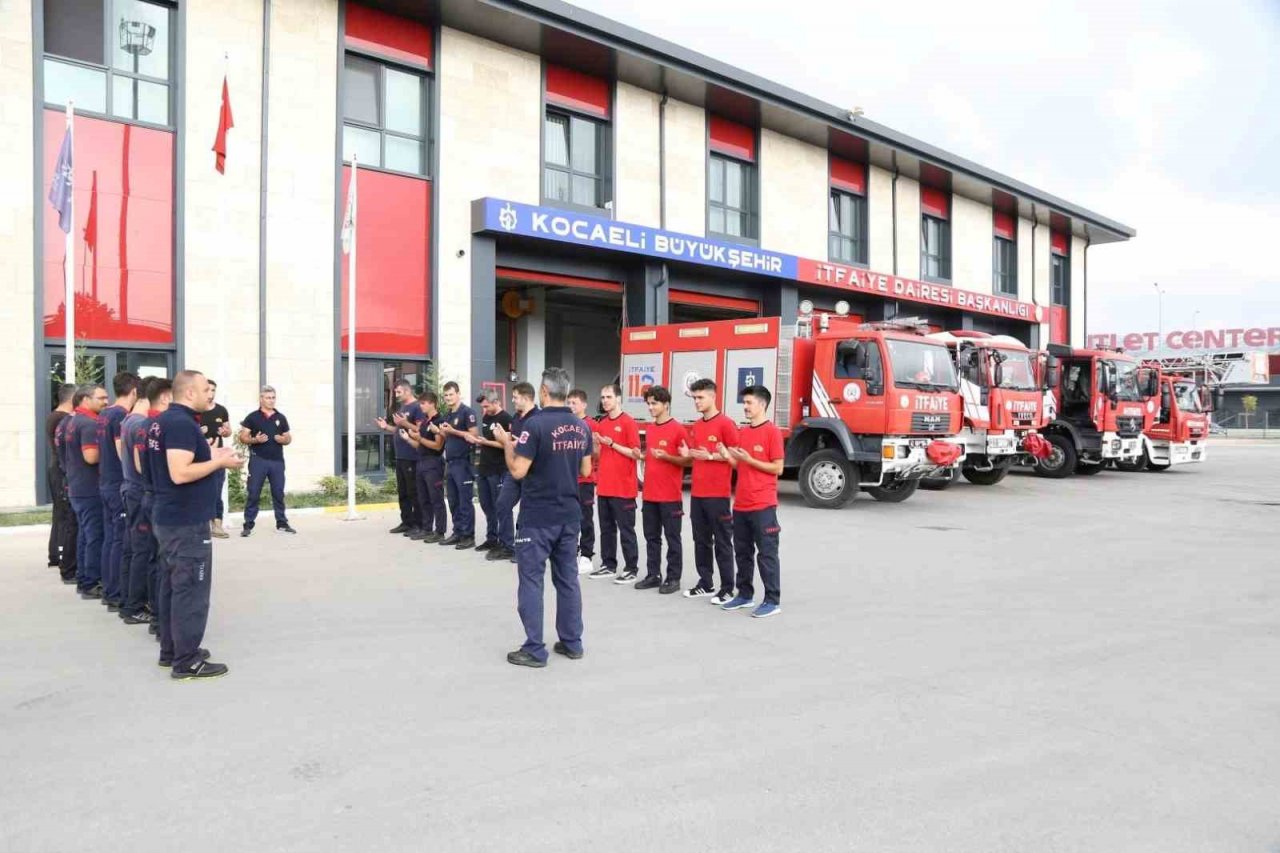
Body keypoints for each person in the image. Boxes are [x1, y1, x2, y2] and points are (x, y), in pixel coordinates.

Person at [492, 366, 592, 668]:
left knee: (532, 582)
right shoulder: (581, 426)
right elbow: (586, 471)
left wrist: (507, 445)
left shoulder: (534, 426)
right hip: (570, 515)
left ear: (545, 392)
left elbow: (518, 471)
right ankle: (572, 642)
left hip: (538, 517)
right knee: (568, 580)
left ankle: (535, 649)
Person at [151, 370, 243, 679]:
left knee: (172, 587)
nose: (210, 395)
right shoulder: (179, 424)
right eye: (206, 389)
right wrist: (220, 462)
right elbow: (179, 472)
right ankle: (187, 661)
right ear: (189, 393)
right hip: (185, 523)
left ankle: (172, 651)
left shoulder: (167, 421)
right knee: (190, 591)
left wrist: (211, 452)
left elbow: (181, 460)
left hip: (171, 518)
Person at [718, 385, 784, 618]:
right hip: (742, 504)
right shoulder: (743, 433)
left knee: (766, 553)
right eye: (744, 403)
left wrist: (751, 460)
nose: (745, 407)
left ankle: (772, 600)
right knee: (742, 552)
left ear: (762, 405)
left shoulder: (772, 432)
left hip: (763, 504)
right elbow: (741, 465)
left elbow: (778, 467)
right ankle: (744, 595)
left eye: (749, 403)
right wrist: (728, 456)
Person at [679, 377, 740, 604]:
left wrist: (712, 456)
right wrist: (688, 454)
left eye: (700, 397)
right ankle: (705, 582)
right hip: (698, 494)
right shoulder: (696, 426)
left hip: (718, 495)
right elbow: (694, 456)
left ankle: (727, 588)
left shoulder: (726, 424)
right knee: (701, 540)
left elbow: (736, 457)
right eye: (694, 398)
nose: (696, 401)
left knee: (723, 541)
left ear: (713, 397)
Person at [637, 386, 686, 594]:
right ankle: (653, 575)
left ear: (666, 404)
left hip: (670, 496)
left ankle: (673, 578)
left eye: (654, 403)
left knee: (672, 537)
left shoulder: (678, 429)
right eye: (648, 403)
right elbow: (650, 457)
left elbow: (687, 460)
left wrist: (667, 457)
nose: (650, 407)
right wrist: (641, 456)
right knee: (651, 537)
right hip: (650, 494)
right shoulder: (650, 428)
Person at [590, 383, 641, 582]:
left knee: (626, 530)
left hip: (623, 488)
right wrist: (596, 444)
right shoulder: (601, 423)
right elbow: (597, 456)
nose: (605, 401)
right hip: (604, 487)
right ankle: (608, 564)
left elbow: (635, 453)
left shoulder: (628, 422)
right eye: (603, 397)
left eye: (608, 397)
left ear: (618, 399)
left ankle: (631, 568)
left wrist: (612, 443)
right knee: (606, 530)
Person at [98, 371, 139, 610]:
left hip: (105, 481)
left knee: (110, 538)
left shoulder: (104, 413)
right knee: (118, 540)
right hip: (116, 484)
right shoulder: (121, 416)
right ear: (134, 392)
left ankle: (108, 588)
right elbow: (121, 451)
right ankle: (114, 592)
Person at [118, 377, 157, 624]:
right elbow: (141, 464)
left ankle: (128, 602)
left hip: (129, 487)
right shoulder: (141, 423)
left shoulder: (128, 419)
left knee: (131, 549)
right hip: (139, 491)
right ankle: (134, 606)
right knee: (142, 550)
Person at [64, 384, 108, 599]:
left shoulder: (73, 421)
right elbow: (91, 457)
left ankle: (84, 579)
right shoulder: (89, 424)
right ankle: (91, 583)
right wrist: (110, 450)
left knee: (84, 535)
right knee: (94, 536)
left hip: (77, 487)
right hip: (90, 488)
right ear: (85, 399)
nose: (106, 401)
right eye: (101, 398)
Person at [238, 385, 296, 536]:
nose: (271, 401)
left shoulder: (280, 417)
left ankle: (282, 523)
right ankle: (248, 525)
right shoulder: (252, 417)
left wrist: (283, 439)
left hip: (277, 461)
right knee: (253, 493)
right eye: (268, 398)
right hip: (259, 461)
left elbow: (288, 438)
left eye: (273, 398)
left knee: (278, 492)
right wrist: (255, 440)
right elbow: (243, 437)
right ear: (261, 399)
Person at [140, 379, 173, 638]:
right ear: (165, 397)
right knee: (162, 563)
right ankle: (160, 620)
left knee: (156, 559)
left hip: (149, 495)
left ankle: (156, 617)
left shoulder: (146, 424)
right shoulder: (157, 426)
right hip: (158, 498)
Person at [489, 382, 537, 563]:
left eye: (516, 397)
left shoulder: (536, 418)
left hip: (530, 471)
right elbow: (513, 441)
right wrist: (503, 437)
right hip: (513, 468)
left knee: (527, 511)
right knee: (502, 504)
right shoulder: (516, 418)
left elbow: (530, 444)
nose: (513, 400)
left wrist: (510, 442)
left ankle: (524, 548)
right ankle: (508, 546)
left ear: (526, 398)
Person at [377, 379, 424, 537]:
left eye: (398, 392)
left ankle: (418, 524)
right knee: (403, 492)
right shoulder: (404, 407)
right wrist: (387, 427)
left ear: (407, 391)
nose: (396, 395)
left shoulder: (417, 407)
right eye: (395, 392)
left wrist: (404, 422)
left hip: (412, 456)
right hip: (400, 456)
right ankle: (406, 522)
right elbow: (398, 430)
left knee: (414, 492)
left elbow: (420, 429)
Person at [436, 381, 478, 549]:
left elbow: (474, 435)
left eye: (451, 394)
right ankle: (458, 532)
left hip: (463, 462)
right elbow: (449, 438)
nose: (448, 398)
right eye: (445, 395)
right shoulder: (447, 415)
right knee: (453, 500)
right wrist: (441, 432)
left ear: (458, 394)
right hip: (450, 463)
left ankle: (468, 536)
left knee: (464, 501)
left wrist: (453, 431)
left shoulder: (467, 412)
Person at [471, 389, 512, 554]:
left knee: (499, 506)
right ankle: (491, 538)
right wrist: (479, 441)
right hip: (484, 467)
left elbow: (507, 445)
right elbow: (486, 440)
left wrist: (485, 442)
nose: (484, 410)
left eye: (487, 406)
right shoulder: (487, 417)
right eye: (482, 407)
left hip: (499, 468)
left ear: (496, 402)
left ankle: (504, 542)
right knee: (486, 505)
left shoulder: (506, 418)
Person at [405, 390, 447, 543]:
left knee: (436, 498)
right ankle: (426, 528)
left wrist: (420, 438)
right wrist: (409, 439)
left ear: (432, 404)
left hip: (433, 462)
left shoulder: (438, 421)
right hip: (421, 461)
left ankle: (440, 531)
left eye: (423, 403)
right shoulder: (424, 422)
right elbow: (419, 444)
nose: (420, 406)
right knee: (423, 498)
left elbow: (437, 446)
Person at [46, 384, 77, 582]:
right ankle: (60, 555)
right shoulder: (61, 419)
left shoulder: (54, 416)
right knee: (64, 514)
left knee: (60, 512)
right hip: (60, 468)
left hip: (56, 467)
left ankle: (56, 555)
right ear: (71, 398)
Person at [567, 389, 597, 574]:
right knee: (569, 519)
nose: (571, 406)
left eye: (574, 403)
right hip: (568, 479)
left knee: (585, 518)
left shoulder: (591, 424)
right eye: (569, 402)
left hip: (585, 479)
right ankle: (571, 551)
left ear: (584, 405)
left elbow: (597, 454)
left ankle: (586, 555)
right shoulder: (566, 424)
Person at [199, 379, 233, 539]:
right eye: (208, 390)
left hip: (219, 457)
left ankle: (217, 525)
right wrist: (199, 432)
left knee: (217, 490)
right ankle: (201, 524)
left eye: (213, 390)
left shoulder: (221, 410)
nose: (211, 394)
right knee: (201, 490)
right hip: (200, 458)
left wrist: (226, 432)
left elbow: (228, 431)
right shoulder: (196, 410)